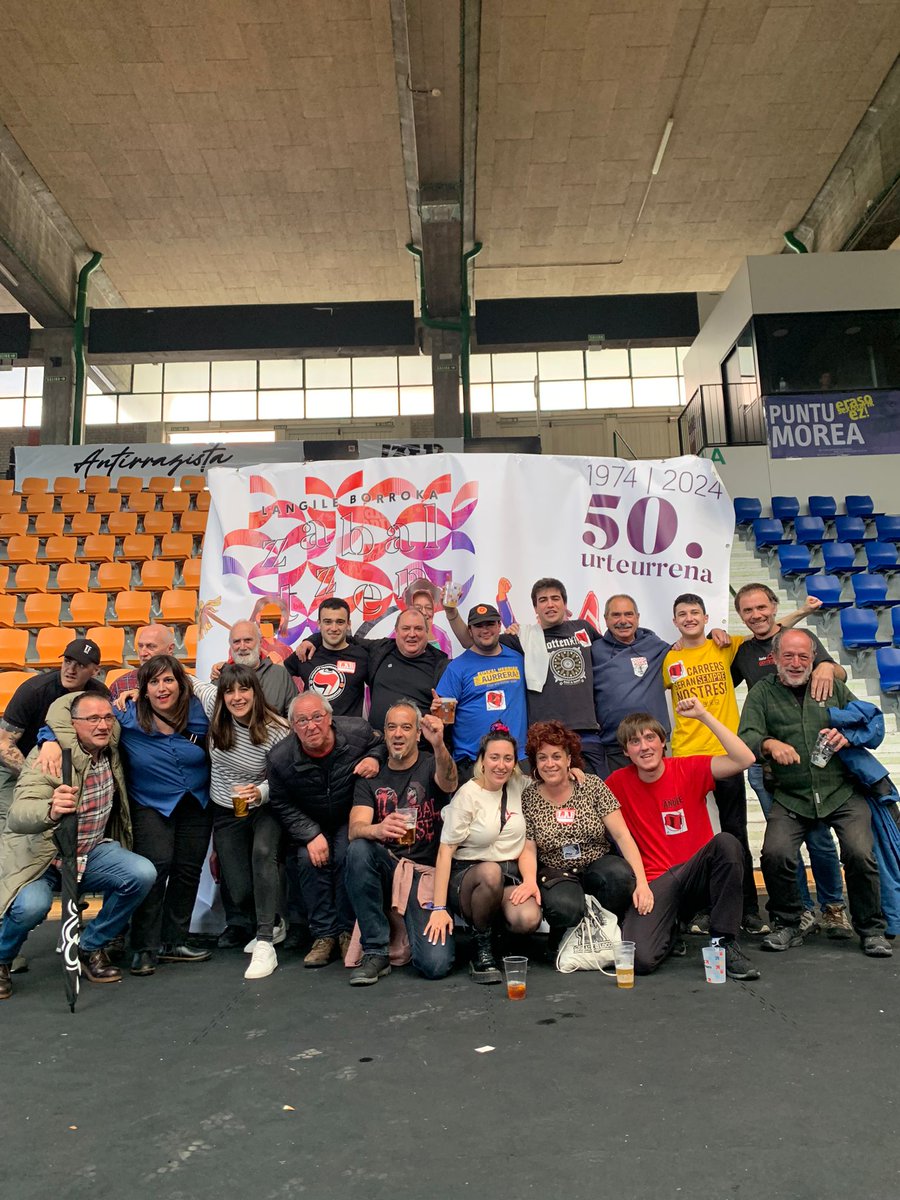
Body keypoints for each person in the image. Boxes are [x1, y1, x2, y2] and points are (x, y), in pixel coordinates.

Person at [738, 628, 891, 958]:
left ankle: (871, 929)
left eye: (803, 657)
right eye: (788, 656)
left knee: (860, 854)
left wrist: (849, 738)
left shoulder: (833, 686)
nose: (795, 663)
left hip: (841, 792)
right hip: (791, 795)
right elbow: (746, 736)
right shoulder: (762, 693)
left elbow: (873, 727)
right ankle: (789, 922)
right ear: (775, 659)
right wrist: (768, 743)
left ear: (812, 659)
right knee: (775, 854)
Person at [0, 691, 156, 1000]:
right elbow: (18, 815)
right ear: (72, 724)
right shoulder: (49, 757)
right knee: (32, 905)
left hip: (90, 851)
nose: (102, 725)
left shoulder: (110, 749)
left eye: (107, 718)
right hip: (44, 857)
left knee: (142, 873)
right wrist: (51, 810)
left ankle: (89, 946)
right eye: (92, 719)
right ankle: (2, 958)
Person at [606, 697, 760, 980]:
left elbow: (745, 759)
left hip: (696, 874)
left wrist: (704, 716)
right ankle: (672, 926)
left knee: (726, 843)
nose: (645, 747)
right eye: (635, 742)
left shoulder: (687, 768)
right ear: (626, 751)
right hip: (656, 883)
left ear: (663, 742)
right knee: (640, 960)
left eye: (650, 738)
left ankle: (724, 943)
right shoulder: (616, 782)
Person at [731, 584, 849, 937]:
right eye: (747, 610)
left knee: (821, 841)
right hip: (767, 761)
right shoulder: (741, 651)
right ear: (741, 615)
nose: (756, 615)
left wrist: (828, 666)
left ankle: (833, 907)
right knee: (783, 844)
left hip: (811, 759)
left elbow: (837, 675)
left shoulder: (800, 638)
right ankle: (800, 910)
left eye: (762, 608)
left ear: (773, 606)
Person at [662, 593, 764, 933]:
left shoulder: (724, 645)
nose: (689, 618)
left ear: (706, 618)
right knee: (696, 840)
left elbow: (767, 630)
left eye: (695, 612)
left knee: (736, 836)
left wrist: (807, 610)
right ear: (674, 621)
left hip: (725, 758)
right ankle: (701, 910)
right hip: (686, 760)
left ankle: (748, 910)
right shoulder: (668, 658)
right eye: (682, 614)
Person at [511, 720, 652, 961]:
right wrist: (528, 881)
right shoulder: (529, 797)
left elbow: (622, 836)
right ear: (535, 763)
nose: (550, 764)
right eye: (542, 757)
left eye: (557, 756)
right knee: (564, 908)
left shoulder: (592, 785)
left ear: (569, 759)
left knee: (619, 878)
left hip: (597, 864)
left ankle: (603, 930)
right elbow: (529, 846)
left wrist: (642, 883)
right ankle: (566, 930)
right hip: (556, 871)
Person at [345, 701, 458, 986]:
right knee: (358, 849)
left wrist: (439, 745)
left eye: (406, 727)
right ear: (384, 733)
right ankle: (375, 951)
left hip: (423, 874)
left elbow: (450, 783)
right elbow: (355, 828)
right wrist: (378, 828)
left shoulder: (432, 762)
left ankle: (407, 933)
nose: (398, 734)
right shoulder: (372, 776)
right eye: (392, 727)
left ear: (417, 733)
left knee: (435, 965)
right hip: (387, 866)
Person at [267, 692, 382, 969]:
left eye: (317, 717)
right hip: (310, 821)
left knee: (346, 855)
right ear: (293, 725)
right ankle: (323, 936)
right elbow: (280, 802)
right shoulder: (279, 757)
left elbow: (381, 744)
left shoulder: (357, 730)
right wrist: (309, 833)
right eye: (302, 720)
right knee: (309, 860)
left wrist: (375, 758)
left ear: (330, 718)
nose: (311, 726)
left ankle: (346, 931)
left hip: (348, 816)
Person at [191, 665, 291, 980]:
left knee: (263, 854)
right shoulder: (214, 707)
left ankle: (264, 943)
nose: (236, 697)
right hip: (226, 808)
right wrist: (134, 692)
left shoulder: (277, 728)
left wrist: (261, 792)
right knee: (237, 888)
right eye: (230, 690)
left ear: (255, 692)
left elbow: (287, 778)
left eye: (243, 689)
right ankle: (273, 922)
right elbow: (185, 678)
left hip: (265, 805)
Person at [445, 577, 604, 773]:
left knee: (595, 796)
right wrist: (451, 612)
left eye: (555, 598)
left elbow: (611, 651)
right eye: (543, 600)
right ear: (535, 608)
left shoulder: (583, 628)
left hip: (586, 732)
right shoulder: (523, 638)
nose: (550, 604)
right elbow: (475, 642)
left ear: (565, 603)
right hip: (545, 737)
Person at [424, 724, 542, 983]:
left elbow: (549, 778)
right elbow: (445, 852)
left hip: (508, 876)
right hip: (469, 877)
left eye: (508, 758)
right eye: (494, 757)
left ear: (515, 763)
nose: (501, 765)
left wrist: (574, 770)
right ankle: (482, 951)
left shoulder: (519, 786)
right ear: (482, 760)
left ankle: (500, 937)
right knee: (490, 872)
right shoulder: (468, 794)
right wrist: (439, 907)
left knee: (528, 917)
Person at [0, 638, 108, 820]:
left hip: (70, 772)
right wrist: (35, 775)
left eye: (80, 665)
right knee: (14, 823)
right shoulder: (34, 690)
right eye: (67, 661)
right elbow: (4, 743)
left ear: (96, 670)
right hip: (21, 767)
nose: (70, 670)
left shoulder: (99, 694)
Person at [431, 602, 528, 784]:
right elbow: (443, 719)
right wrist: (437, 711)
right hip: (474, 762)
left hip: (517, 759)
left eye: (490, 624)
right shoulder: (456, 668)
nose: (485, 630)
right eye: (478, 625)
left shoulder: (518, 658)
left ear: (499, 625)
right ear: (470, 630)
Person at [591, 593, 671, 778]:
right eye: (616, 615)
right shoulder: (594, 650)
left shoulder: (655, 645)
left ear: (637, 617)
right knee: (621, 802)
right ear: (605, 619)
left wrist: (713, 632)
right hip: (614, 746)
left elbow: (688, 647)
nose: (623, 620)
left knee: (657, 798)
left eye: (628, 614)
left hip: (653, 743)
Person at [282, 598, 369, 717]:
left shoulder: (362, 656)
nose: (333, 628)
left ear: (348, 625)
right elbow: (277, 675)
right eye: (328, 622)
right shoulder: (305, 652)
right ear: (319, 624)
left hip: (349, 733)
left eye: (340, 622)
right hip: (312, 731)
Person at [213, 619, 297, 717]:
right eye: (236, 642)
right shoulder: (220, 676)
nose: (242, 647)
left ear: (260, 642)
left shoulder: (280, 674)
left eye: (248, 640)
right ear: (230, 645)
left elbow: (295, 717)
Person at [108, 624, 176, 701]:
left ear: (170, 649)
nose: (143, 653)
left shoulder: (186, 683)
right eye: (140, 646)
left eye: (151, 646)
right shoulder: (120, 685)